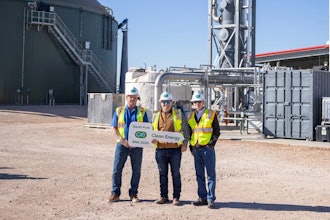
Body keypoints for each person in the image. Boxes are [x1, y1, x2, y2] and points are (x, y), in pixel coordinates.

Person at [108, 86, 149, 203]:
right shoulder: (119, 111)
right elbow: (114, 128)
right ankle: (115, 193)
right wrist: (121, 140)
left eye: (134, 97)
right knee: (117, 169)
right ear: (126, 98)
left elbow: (146, 130)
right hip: (122, 145)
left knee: (136, 170)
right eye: (130, 97)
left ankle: (134, 194)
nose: (132, 99)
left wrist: (137, 142)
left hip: (137, 146)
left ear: (137, 99)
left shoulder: (142, 112)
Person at [151, 91, 190, 206]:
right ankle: (163, 196)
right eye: (163, 102)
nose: (165, 104)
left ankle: (176, 197)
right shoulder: (155, 115)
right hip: (160, 149)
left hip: (175, 150)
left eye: (168, 102)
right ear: (160, 103)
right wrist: (151, 138)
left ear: (172, 103)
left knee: (175, 173)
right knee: (162, 173)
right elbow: (151, 131)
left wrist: (184, 143)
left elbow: (186, 130)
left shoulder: (178, 114)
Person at [187, 91, 220, 209]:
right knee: (199, 174)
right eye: (195, 102)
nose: (197, 104)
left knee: (210, 175)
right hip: (196, 149)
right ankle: (202, 197)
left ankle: (211, 198)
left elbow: (217, 131)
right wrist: (191, 147)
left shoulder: (211, 114)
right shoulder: (190, 116)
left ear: (203, 102)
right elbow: (190, 132)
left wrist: (211, 144)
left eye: (199, 102)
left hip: (207, 149)